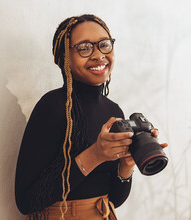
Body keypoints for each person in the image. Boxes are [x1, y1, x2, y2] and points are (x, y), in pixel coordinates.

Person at [15, 14, 167, 220]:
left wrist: (127, 165)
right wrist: (95, 154)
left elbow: (114, 199)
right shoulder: (52, 107)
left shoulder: (114, 112)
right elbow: (27, 201)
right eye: (84, 48)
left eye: (104, 45)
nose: (98, 55)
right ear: (64, 57)